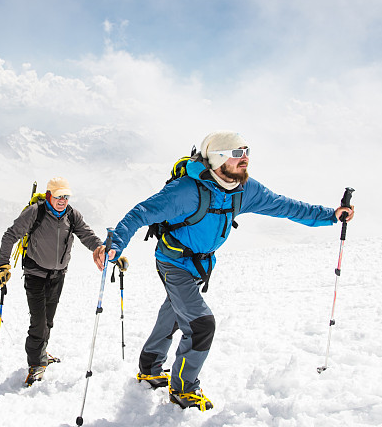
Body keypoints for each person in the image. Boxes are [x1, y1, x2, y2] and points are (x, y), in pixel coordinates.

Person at [96, 131, 355, 411]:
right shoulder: (186, 191)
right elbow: (141, 213)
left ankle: (149, 367)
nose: (244, 158)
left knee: (175, 311)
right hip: (173, 262)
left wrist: (330, 215)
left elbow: (284, 206)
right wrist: (115, 243)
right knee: (200, 324)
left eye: (246, 151)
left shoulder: (245, 190)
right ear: (218, 159)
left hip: (201, 264)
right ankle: (184, 389)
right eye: (236, 153)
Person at [0, 177, 107, 386]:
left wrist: (100, 248)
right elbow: (10, 235)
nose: (63, 200)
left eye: (66, 196)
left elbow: (87, 235)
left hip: (58, 275)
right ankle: (36, 364)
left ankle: (41, 352)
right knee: (38, 321)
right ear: (49, 196)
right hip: (35, 273)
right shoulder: (35, 212)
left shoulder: (72, 215)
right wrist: (3, 264)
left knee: (48, 320)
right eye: (59, 196)